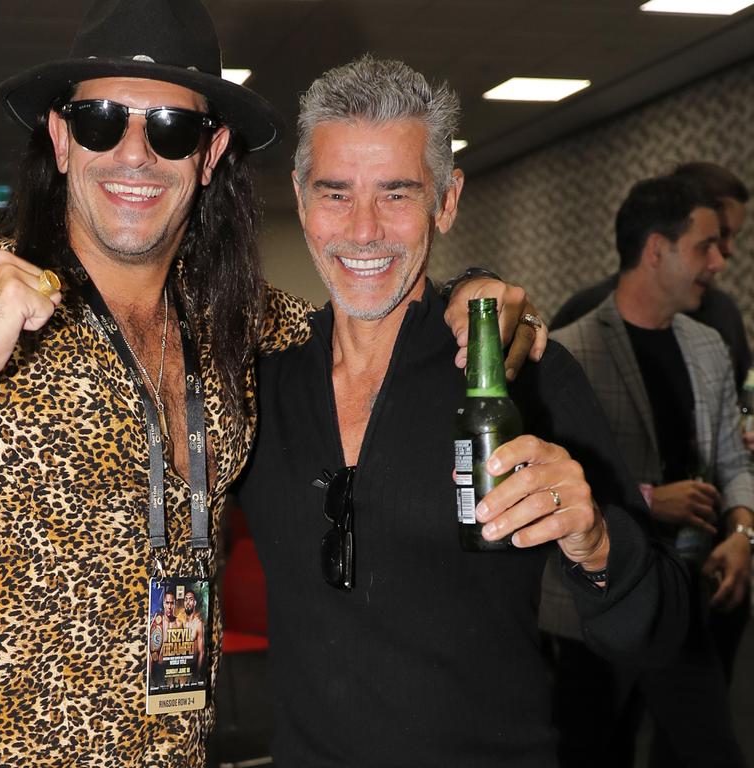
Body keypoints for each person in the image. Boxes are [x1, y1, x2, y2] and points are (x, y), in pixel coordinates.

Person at [0, 1, 538, 764]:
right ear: (59, 137)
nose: (136, 154)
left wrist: (476, 291)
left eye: (172, 129)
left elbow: (368, 312)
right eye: (101, 121)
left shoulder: (240, 322)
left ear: (209, 154)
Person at [234, 55, 689, 766]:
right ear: (299, 197)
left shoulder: (518, 374)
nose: (362, 230)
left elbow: (658, 631)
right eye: (335, 193)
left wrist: (598, 544)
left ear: (446, 201)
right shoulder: (259, 381)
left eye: (396, 194)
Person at [545, 175, 754, 767]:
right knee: (591, 755)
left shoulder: (709, 344)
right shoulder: (567, 350)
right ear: (657, 250)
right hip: (596, 605)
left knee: (710, 751)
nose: (720, 261)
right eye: (705, 247)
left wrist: (742, 533)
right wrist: (647, 500)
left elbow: (733, 460)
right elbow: (553, 479)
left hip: (685, 594)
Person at [550, 162, 750, 393]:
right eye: (711, 240)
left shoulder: (722, 316)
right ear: (658, 247)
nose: (726, 253)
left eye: (730, 236)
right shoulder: (583, 318)